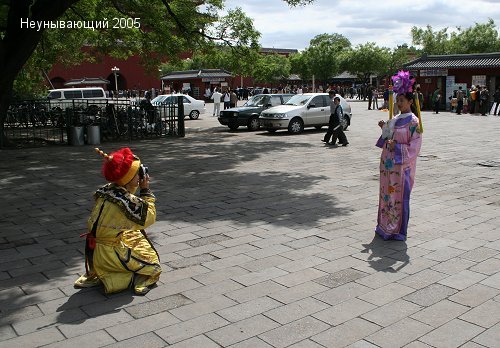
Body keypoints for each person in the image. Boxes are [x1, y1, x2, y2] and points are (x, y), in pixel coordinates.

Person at [74, 148, 161, 295]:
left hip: (94, 251)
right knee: (153, 266)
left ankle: (109, 270)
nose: (141, 175)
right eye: (137, 173)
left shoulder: (106, 190)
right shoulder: (124, 201)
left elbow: (126, 192)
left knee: (134, 235)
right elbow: (148, 218)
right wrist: (145, 191)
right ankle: (126, 277)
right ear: (128, 179)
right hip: (108, 254)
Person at [375, 86, 422, 241]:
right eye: (397, 100)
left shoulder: (414, 122)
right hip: (388, 165)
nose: (399, 103)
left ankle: (397, 230)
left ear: (410, 101)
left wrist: (398, 146)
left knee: (399, 196)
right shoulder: (394, 119)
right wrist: (384, 128)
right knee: (387, 195)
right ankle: (384, 226)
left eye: (402, 100)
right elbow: (387, 137)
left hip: (402, 166)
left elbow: (414, 147)